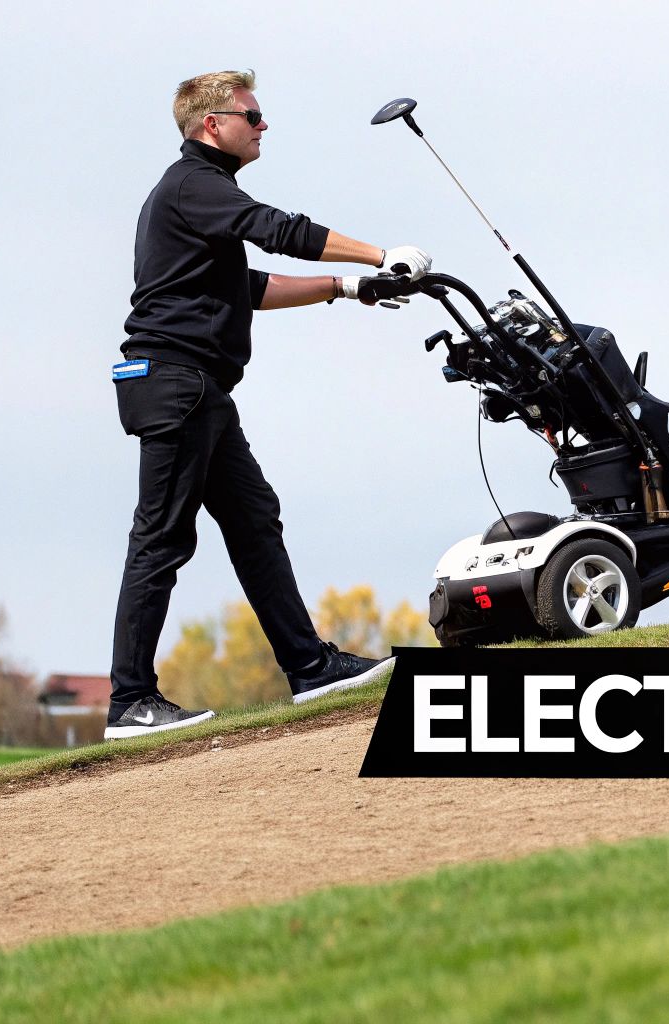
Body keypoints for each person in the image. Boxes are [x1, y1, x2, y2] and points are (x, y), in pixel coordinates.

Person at [107, 69, 426, 739]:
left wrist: (347, 285)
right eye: (252, 115)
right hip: (174, 381)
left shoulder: (202, 197)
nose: (263, 124)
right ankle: (130, 702)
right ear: (212, 125)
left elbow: (244, 285)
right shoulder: (196, 185)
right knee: (161, 539)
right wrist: (380, 251)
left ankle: (309, 667)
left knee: (255, 520)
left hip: (200, 389)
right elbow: (274, 229)